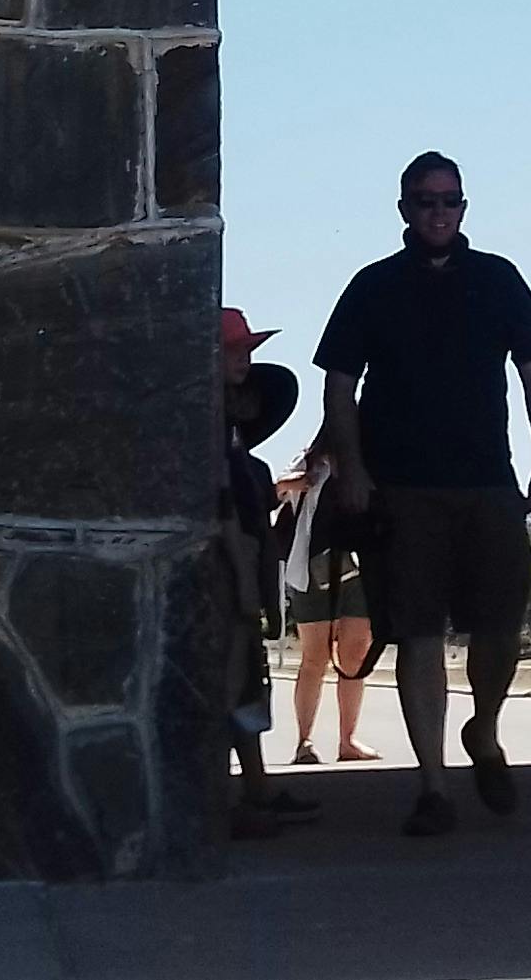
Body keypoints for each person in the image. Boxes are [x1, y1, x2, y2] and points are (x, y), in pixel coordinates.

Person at [315, 150, 531, 839]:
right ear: (404, 208)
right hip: (403, 489)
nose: (439, 212)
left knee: (500, 629)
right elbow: (339, 384)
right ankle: (433, 785)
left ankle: (484, 728)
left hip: (488, 482)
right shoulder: (373, 286)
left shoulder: (498, 278)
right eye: (426, 201)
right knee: (419, 635)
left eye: (450, 200)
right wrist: (352, 469)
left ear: (464, 206)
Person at [215, 310, 315, 839]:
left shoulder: (239, 453)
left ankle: (255, 787)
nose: (243, 361)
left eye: (245, 352)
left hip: (244, 573)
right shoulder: (209, 447)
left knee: (245, 682)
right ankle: (222, 798)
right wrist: (244, 586)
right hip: (225, 578)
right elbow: (226, 516)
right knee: (228, 682)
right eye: (232, 351)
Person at [275, 436, 381, 764]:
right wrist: (292, 484)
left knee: (355, 656)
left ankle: (348, 740)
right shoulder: (310, 461)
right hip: (310, 569)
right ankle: (304, 741)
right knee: (314, 657)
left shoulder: (372, 459)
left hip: (361, 568)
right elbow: (274, 492)